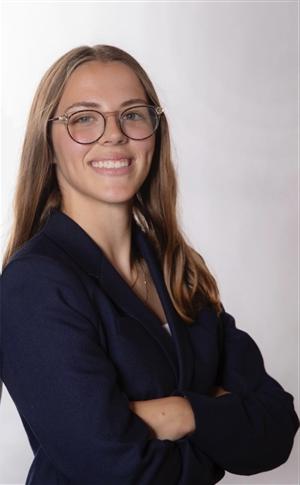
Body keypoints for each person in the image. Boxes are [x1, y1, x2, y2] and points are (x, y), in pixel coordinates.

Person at [0, 44, 298, 485]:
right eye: (84, 117)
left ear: (156, 132)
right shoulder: (34, 284)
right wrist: (217, 426)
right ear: (48, 141)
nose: (114, 134)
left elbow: (276, 429)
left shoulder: (180, 272)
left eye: (133, 113)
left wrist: (181, 413)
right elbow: (114, 469)